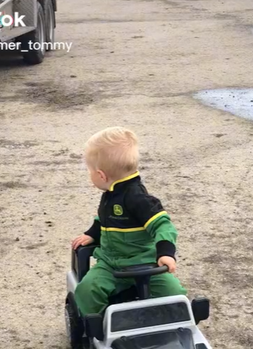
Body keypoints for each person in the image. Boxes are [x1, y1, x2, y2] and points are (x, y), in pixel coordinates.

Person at [72, 127, 186, 316]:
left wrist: (166, 253)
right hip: (111, 265)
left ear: (101, 175)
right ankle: (101, 327)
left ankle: (174, 327)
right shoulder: (111, 193)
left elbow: (163, 225)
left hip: (147, 265)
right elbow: (104, 219)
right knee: (86, 291)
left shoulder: (139, 199)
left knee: (174, 293)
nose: (89, 175)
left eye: (89, 171)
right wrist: (92, 234)